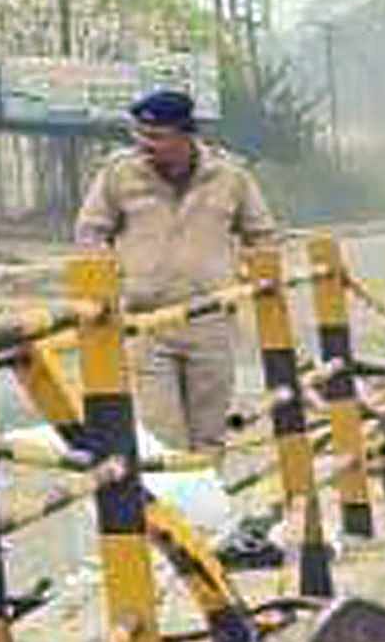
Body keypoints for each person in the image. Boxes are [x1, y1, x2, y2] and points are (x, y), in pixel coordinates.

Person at [74, 87, 277, 461]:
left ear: (186, 135)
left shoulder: (230, 176)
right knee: (161, 438)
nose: (143, 144)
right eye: (138, 134)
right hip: (147, 325)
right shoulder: (119, 174)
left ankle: (206, 518)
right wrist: (113, 282)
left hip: (210, 323)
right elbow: (90, 233)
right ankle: (175, 517)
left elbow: (261, 234)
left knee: (209, 437)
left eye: (155, 136)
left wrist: (246, 280)